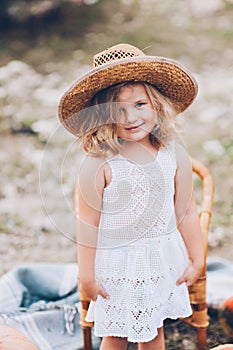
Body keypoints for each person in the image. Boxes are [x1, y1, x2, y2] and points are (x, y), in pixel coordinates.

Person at [58, 44, 204, 350]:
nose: (130, 117)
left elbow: (186, 211)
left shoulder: (172, 153)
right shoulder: (100, 164)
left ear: (157, 106)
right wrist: (86, 276)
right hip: (118, 265)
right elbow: (88, 224)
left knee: (153, 330)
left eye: (140, 104)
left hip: (160, 259)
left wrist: (197, 258)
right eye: (117, 110)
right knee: (117, 334)